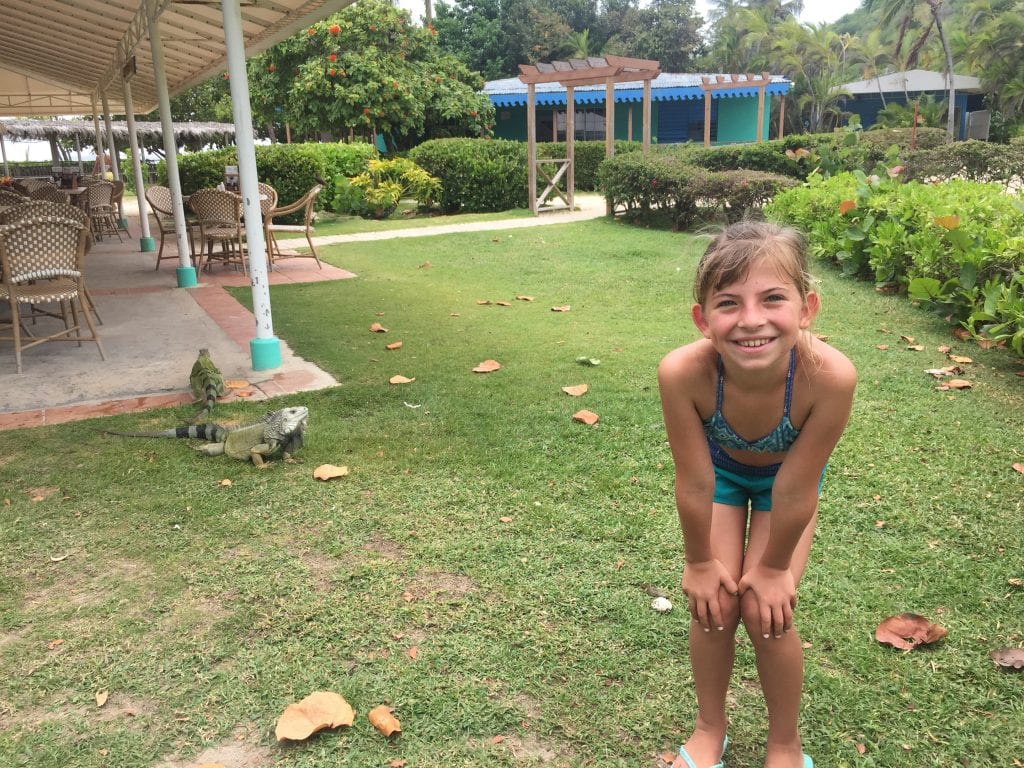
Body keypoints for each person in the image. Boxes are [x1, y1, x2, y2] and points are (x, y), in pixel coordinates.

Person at [658, 221, 856, 768]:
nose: (751, 320)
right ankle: (708, 730)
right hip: (721, 478)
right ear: (702, 319)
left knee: (767, 612)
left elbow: (796, 488)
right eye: (728, 303)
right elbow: (695, 480)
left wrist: (773, 570)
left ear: (806, 307)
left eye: (773, 298)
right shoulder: (682, 373)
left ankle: (785, 745)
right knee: (713, 606)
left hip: (783, 488)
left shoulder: (830, 377)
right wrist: (698, 560)